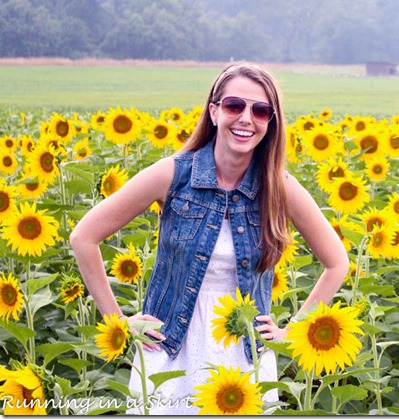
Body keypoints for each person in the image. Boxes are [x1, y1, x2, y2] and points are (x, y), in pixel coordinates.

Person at [70, 62, 349, 415]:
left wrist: (294, 331)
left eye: (261, 110)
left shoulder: (279, 188)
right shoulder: (173, 174)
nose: (247, 118)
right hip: (171, 347)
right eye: (235, 105)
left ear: (270, 123)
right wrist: (119, 322)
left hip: (244, 351)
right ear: (214, 111)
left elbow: (337, 262)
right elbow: (84, 237)